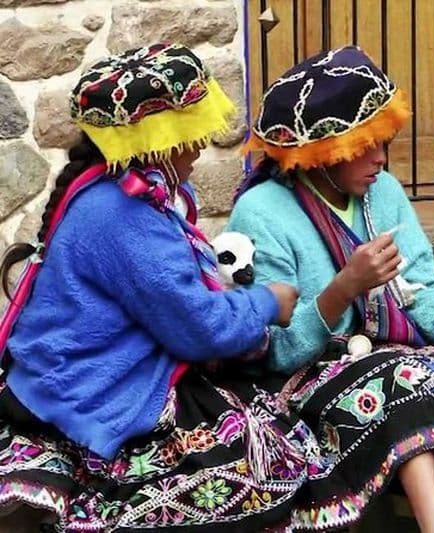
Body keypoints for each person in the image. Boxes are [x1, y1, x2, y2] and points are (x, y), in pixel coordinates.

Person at [0, 43, 316, 532]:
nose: (198, 148)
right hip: (85, 385)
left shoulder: (124, 192)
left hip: (75, 367)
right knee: (258, 460)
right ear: (161, 142)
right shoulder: (123, 215)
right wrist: (264, 303)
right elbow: (198, 327)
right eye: (190, 136)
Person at [228, 45, 434, 533]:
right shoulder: (262, 211)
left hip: (394, 363)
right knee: (404, 379)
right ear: (322, 153)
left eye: (383, 142)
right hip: (310, 375)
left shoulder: (382, 192)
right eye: (365, 146)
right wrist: (345, 286)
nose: (381, 158)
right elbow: (276, 348)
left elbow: (423, 292)